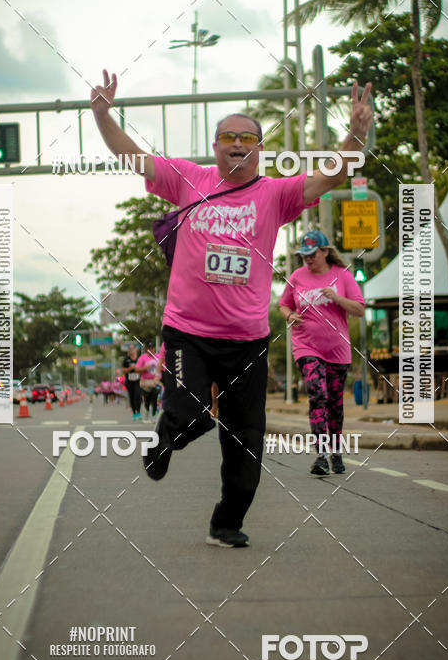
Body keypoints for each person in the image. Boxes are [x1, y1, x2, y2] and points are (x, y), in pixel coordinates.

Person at [91, 69, 372, 547]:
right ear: (215, 146)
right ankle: (164, 438)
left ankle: (226, 522)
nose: (237, 143)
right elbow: (132, 157)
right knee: (191, 413)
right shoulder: (188, 179)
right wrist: (102, 115)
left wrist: (356, 134)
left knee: (246, 439)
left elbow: (332, 175)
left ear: (259, 148)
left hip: (247, 341)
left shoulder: (275, 194)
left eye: (247, 137)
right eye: (227, 137)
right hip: (188, 333)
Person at [279, 230, 365, 476]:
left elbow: (359, 309)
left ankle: (336, 452)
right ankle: (321, 455)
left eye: (312, 253)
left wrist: (337, 298)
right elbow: (284, 304)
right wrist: (290, 315)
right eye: (303, 254)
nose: (307, 258)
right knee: (318, 394)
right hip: (306, 347)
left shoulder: (343, 276)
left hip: (338, 351)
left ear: (325, 251)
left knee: (335, 404)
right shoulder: (296, 277)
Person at [136, 341, 160, 421]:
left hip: (155, 381)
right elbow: (137, 369)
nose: (151, 350)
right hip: (145, 381)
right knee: (147, 398)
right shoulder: (142, 358)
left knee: (155, 396)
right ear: (147, 349)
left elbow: (164, 367)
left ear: (154, 349)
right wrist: (145, 367)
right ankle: (147, 410)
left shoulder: (159, 357)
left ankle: (153, 414)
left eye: (152, 348)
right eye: (149, 348)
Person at [121, 343, 142, 421]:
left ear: (135, 350)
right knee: (132, 397)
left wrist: (137, 369)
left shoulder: (139, 359)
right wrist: (130, 368)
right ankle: (134, 413)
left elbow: (142, 369)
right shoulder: (126, 359)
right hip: (129, 381)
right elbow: (123, 370)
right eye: (129, 349)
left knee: (138, 395)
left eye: (132, 349)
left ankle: (139, 412)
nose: (131, 351)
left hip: (138, 380)